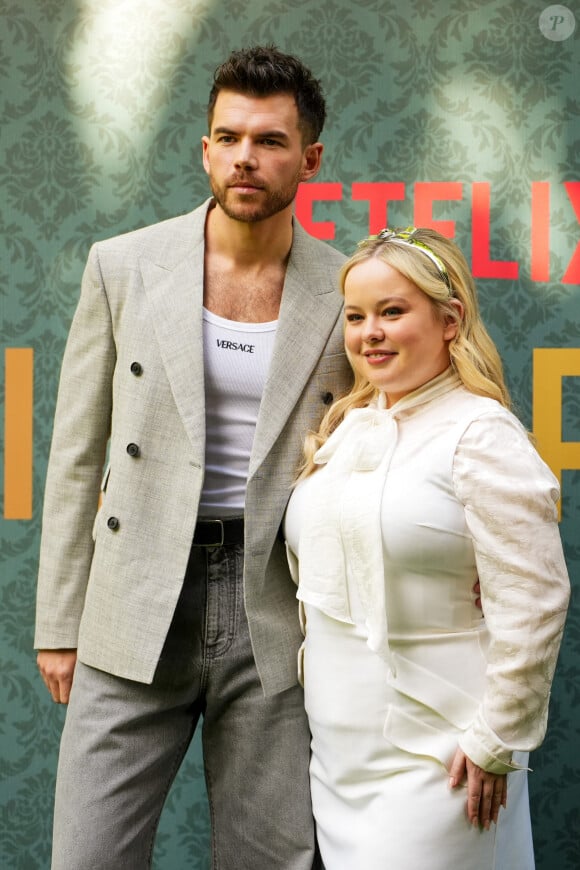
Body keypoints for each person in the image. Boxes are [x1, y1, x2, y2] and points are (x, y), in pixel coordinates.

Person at [34, 45, 354, 869]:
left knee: (268, 857)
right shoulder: (125, 265)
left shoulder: (348, 288)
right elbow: (76, 451)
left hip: (276, 599)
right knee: (87, 855)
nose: (246, 156)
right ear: (204, 148)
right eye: (229, 136)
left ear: (309, 158)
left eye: (271, 141)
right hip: (135, 588)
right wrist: (59, 622)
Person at [284, 227, 570, 870]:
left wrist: (497, 738)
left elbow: (535, 599)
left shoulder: (480, 432)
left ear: (450, 320)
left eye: (392, 311)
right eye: (356, 316)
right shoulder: (342, 431)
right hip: (337, 759)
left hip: (445, 756)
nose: (369, 333)